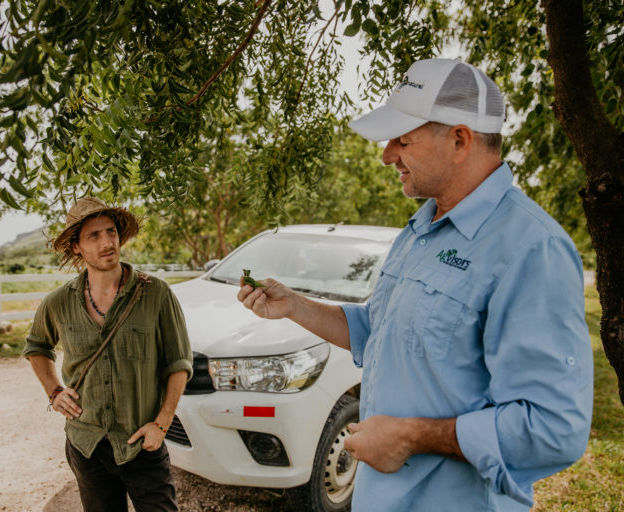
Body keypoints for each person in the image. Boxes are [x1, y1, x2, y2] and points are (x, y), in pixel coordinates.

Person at [238, 58, 593, 511]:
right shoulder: (422, 227)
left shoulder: (531, 248)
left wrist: (410, 437)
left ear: (460, 140)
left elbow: (553, 428)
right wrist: (294, 305)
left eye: (403, 140)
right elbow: (378, 330)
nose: (387, 155)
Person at [23, 197, 192, 512]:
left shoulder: (156, 293)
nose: (107, 242)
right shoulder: (58, 302)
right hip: (86, 445)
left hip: (142, 442)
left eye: (111, 231)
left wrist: (162, 424)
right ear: (76, 247)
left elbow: (179, 363)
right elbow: (37, 347)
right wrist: (54, 391)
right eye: (94, 235)